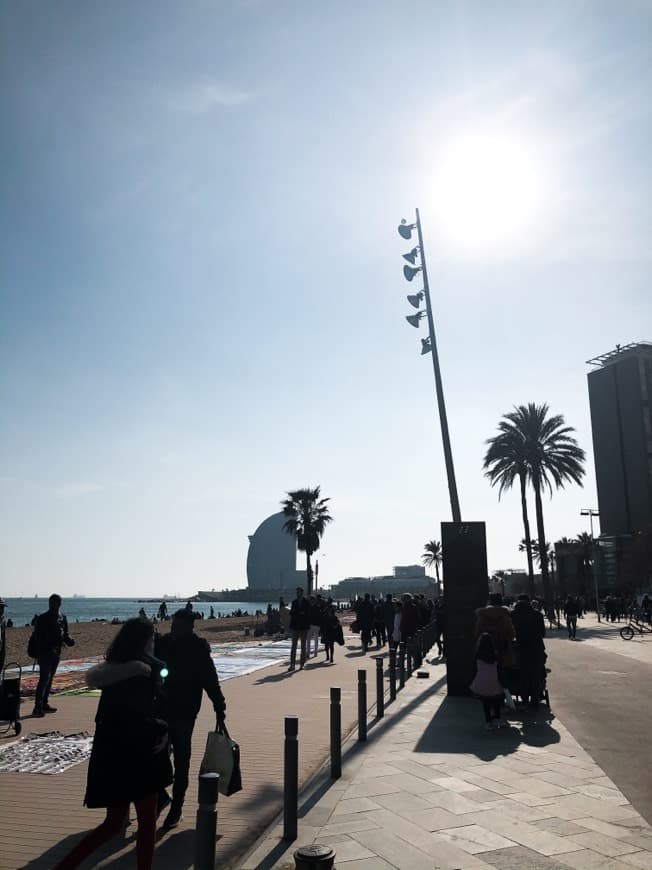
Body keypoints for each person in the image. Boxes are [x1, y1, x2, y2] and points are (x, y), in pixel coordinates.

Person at [53, 619, 172, 870]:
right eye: (152, 637)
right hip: (140, 756)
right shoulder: (142, 673)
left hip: (111, 756)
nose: (154, 642)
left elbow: (112, 715)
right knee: (146, 824)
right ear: (144, 641)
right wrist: (162, 729)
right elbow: (141, 715)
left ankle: (65, 866)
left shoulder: (111, 672)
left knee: (113, 822)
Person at [155, 609, 226, 829]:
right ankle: (161, 796)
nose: (174, 629)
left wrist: (219, 704)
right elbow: (153, 668)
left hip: (186, 712)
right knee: (156, 756)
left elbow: (210, 678)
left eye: (178, 626)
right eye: (173, 625)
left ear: (190, 627)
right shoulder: (164, 643)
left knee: (182, 760)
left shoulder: (198, 648)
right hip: (161, 710)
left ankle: (177, 806)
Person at [31, 594, 75, 717]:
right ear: (49, 604)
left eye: (57, 603)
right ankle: (37, 706)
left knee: (50, 679)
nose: (55, 605)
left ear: (60, 604)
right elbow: (37, 637)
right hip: (45, 653)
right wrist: (44, 649)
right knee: (44, 678)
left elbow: (65, 634)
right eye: (53, 603)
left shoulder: (62, 617)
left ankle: (44, 703)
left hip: (56, 653)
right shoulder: (42, 618)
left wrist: (69, 641)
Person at [511, 593, 546, 708]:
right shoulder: (537, 615)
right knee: (536, 674)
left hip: (521, 648)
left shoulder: (513, 615)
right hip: (536, 648)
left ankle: (524, 698)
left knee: (523, 674)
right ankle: (535, 699)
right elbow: (542, 633)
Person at [470, 632, 506, 731]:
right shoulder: (495, 654)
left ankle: (488, 722)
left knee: (485, 702)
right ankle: (497, 718)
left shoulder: (478, 655)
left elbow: (474, 668)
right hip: (494, 680)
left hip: (481, 681)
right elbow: (499, 668)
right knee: (496, 700)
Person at [473, 593, 515, 668]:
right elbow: (511, 634)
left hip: (487, 651)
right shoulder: (505, 615)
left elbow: (477, 633)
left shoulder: (482, 616)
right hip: (503, 650)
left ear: (489, 601)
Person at [288, 587, 310, 671]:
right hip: (295, 627)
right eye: (296, 592)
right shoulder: (294, 602)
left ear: (302, 593)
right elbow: (292, 613)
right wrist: (300, 613)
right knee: (293, 646)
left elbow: (307, 614)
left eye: (299, 592)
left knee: (303, 647)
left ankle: (302, 664)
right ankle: (292, 664)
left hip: (303, 627)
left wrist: (298, 613)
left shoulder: (306, 602)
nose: (297, 594)